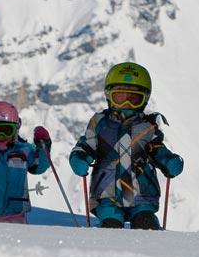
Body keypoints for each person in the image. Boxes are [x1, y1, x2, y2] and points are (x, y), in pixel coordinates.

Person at [68, 62, 183, 230]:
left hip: (142, 194)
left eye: (134, 99)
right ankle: (105, 254)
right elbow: (87, 145)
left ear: (144, 100)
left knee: (145, 222)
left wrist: (168, 161)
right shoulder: (99, 124)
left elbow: (158, 151)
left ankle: (152, 253)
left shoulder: (148, 128)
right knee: (111, 224)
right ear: (108, 96)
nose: (126, 103)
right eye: (120, 97)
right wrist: (79, 157)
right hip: (107, 193)